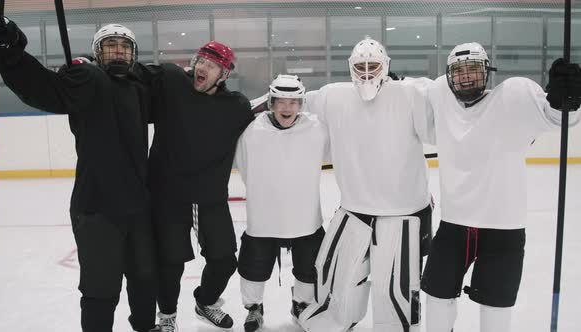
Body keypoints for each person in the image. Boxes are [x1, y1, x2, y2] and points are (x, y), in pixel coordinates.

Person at [0, 18, 160, 332]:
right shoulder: (89, 80)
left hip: (138, 206)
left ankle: (146, 326)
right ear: (98, 53)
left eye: (125, 47)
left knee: (146, 279)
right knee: (101, 289)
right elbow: (42, 88)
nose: (119, 52)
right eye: (111, 46)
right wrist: (12, 52)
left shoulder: (139, 87)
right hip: (97, 208)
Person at [421, 42, 581, 332]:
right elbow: (409, 93)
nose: (467, 76)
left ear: (487, 71)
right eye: (459, 71)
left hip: (503, 229)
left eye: (473, 69)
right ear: (449, 76)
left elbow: (557, 117)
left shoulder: (513, 98)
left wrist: (564, 99)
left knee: (496, 307)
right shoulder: (439, 96)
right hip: (454, 225)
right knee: (436, 296)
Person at [297, 36, 435, 332]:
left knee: (395, 289)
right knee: (340, 281)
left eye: (374, 65)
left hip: (404, 212)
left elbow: (447, 108)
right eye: (362, 66)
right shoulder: (334, 96)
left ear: (386, 66)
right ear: (351, 68)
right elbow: (293, 102)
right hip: (354, 209)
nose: (368, 72)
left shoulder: (410, 93)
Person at [147, 41, 254, 331]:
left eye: (212, 65)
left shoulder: (236, 107)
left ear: (224, 75)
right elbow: (132, 85)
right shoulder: (172, 85)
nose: (202, 68)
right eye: (201, 61)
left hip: (209, 197)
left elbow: (266, 123)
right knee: (169, 263)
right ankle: (167, 316)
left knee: (224, 261)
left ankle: (205, 302)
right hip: (167, 196)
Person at [233, 74, 328, 332]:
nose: (287, 108)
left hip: (305, 217)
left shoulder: (317, 128)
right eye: (281, 102)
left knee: (309, 267)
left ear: (301, 104)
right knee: (253, 268)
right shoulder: (252, 131)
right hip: (264, 218)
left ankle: (301, 304)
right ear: (271, 102)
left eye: (293, 102)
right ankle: (254, 308)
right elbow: (241, 165)